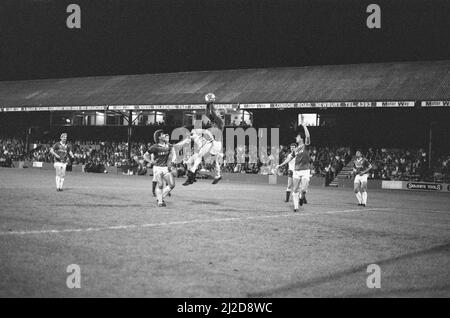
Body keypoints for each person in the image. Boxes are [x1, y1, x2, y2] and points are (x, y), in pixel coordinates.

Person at [183, 93, 225, 186]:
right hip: (212, 142)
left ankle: (192, 177)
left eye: (219, 112)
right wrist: (207, 104)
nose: (217, 112)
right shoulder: (215, 120)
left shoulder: (220, 122)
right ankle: (215, 176)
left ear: (221, 115)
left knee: (210, 159)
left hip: (216, 144)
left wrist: (211, 103)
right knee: (201, 157)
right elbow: (207, 114)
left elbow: (213, 112)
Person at [276, 123, 311, 212]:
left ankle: (302, 197)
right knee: (295, 189)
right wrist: (281, 165)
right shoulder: (295, 150)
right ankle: (296, 207)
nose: (296, 138)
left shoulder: (305, 146)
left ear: (301, 138)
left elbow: (308, 136)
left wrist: (304, 126)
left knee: (303, 189)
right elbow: (289, 158)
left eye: (297, 137)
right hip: (296, 171)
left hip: (305, 170)